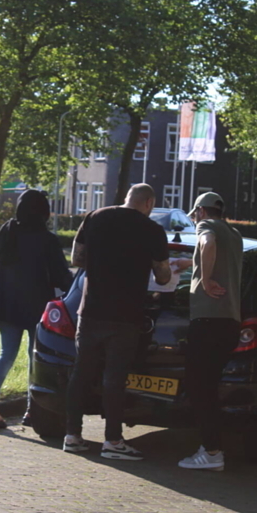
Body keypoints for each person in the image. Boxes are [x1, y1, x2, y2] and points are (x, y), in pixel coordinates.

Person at [64, 184, 171, 460]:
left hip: (90, 311)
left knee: (81, 373)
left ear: (127, 198)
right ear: (149, 203)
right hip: (125, 316)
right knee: (115, 378)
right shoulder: (152, 230)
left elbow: (77, 258)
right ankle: (112, 440)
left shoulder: (94, 217)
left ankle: (72, 435)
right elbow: (162, 277)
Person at [0, 189, 72, 429]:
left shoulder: (6, 233)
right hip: (37, 306)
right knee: (35, 356)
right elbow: (61, 275)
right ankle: (33, 410)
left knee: (6, 354)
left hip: (6, 304)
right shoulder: (47, 240)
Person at [175, 191, 243, 472]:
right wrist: (189, 264)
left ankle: (212, 452)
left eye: (194, 215)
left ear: (201, 212)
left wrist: (204, 280)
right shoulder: (234, 235)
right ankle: (212, 448)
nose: (194, 220)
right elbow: (219, 256)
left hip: (208, 320)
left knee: (199, 387)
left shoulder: (207, 226)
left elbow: (207, 243)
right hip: (230, 320)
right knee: (210, 386)